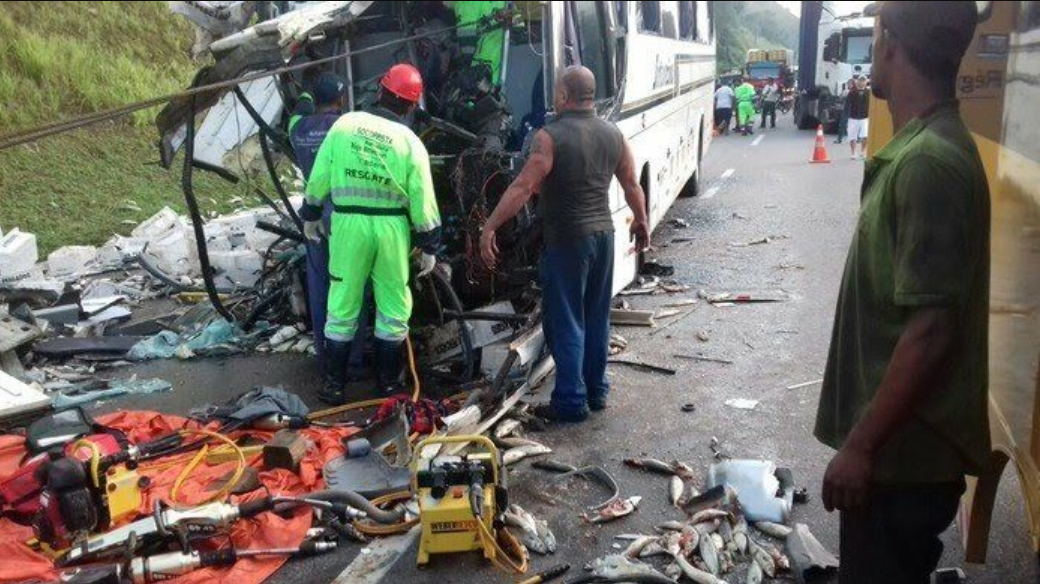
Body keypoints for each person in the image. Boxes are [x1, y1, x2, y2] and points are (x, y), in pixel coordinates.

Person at [814, 3, 988, 583]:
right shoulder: (920, 150)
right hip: (897, 458)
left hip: (901, 464)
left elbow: (932, 330)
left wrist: (861, 447)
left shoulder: (928, 165)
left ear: (890, 43)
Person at [479, 66, 650, 423]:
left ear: (563, 95)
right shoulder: (613, 134)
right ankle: (596, 391)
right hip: (604, 237)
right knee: (596, 317)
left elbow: (524, 187)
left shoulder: (549, 137)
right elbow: (632, 184)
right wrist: (642, 221)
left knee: (567, 320)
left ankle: (571, 402)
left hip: (568, 240)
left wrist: (490, 226)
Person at [301, 64, 442, 403]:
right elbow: (423, 200)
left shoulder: (345, 125)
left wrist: (311, 213)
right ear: (412, 105)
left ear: (380, 91)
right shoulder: (410, 142)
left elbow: (320, 175)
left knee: (342, 301)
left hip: (348, 226)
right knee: (393, 305)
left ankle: (334, 386)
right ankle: (388, 386)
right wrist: (430, 245)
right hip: (392, 230)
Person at [289, 74, 348, 367]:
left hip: (312, 214)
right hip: (342, 214)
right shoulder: (345, 127)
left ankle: (322, 350)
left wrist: (306, 94)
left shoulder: (297, 127)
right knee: (348, 285)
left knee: (319, 284)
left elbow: (300, 108)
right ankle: (350, 357)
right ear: (341, 99)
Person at [846, 74, 871, 159]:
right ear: (858, 81)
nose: (862, 82)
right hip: (853, 117)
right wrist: (846, 116)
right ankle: (853, 153)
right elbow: (847, 105)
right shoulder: (852, 92)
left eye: (864, 80)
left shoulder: (869, 93)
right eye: (861, 80)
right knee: (852, 136)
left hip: (865, 118)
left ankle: (863, 152)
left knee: (865, 135)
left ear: (866, 82)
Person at [834, 78, 854, 144]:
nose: (848, 85)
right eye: (848, 84)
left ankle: (839, 139)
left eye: (849, 84)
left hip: (847, 111)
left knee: (843, 125)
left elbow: (841, 97)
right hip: (851, 111)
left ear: (852, 84)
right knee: (849, 125)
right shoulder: (854, 91)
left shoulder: (847, 91)